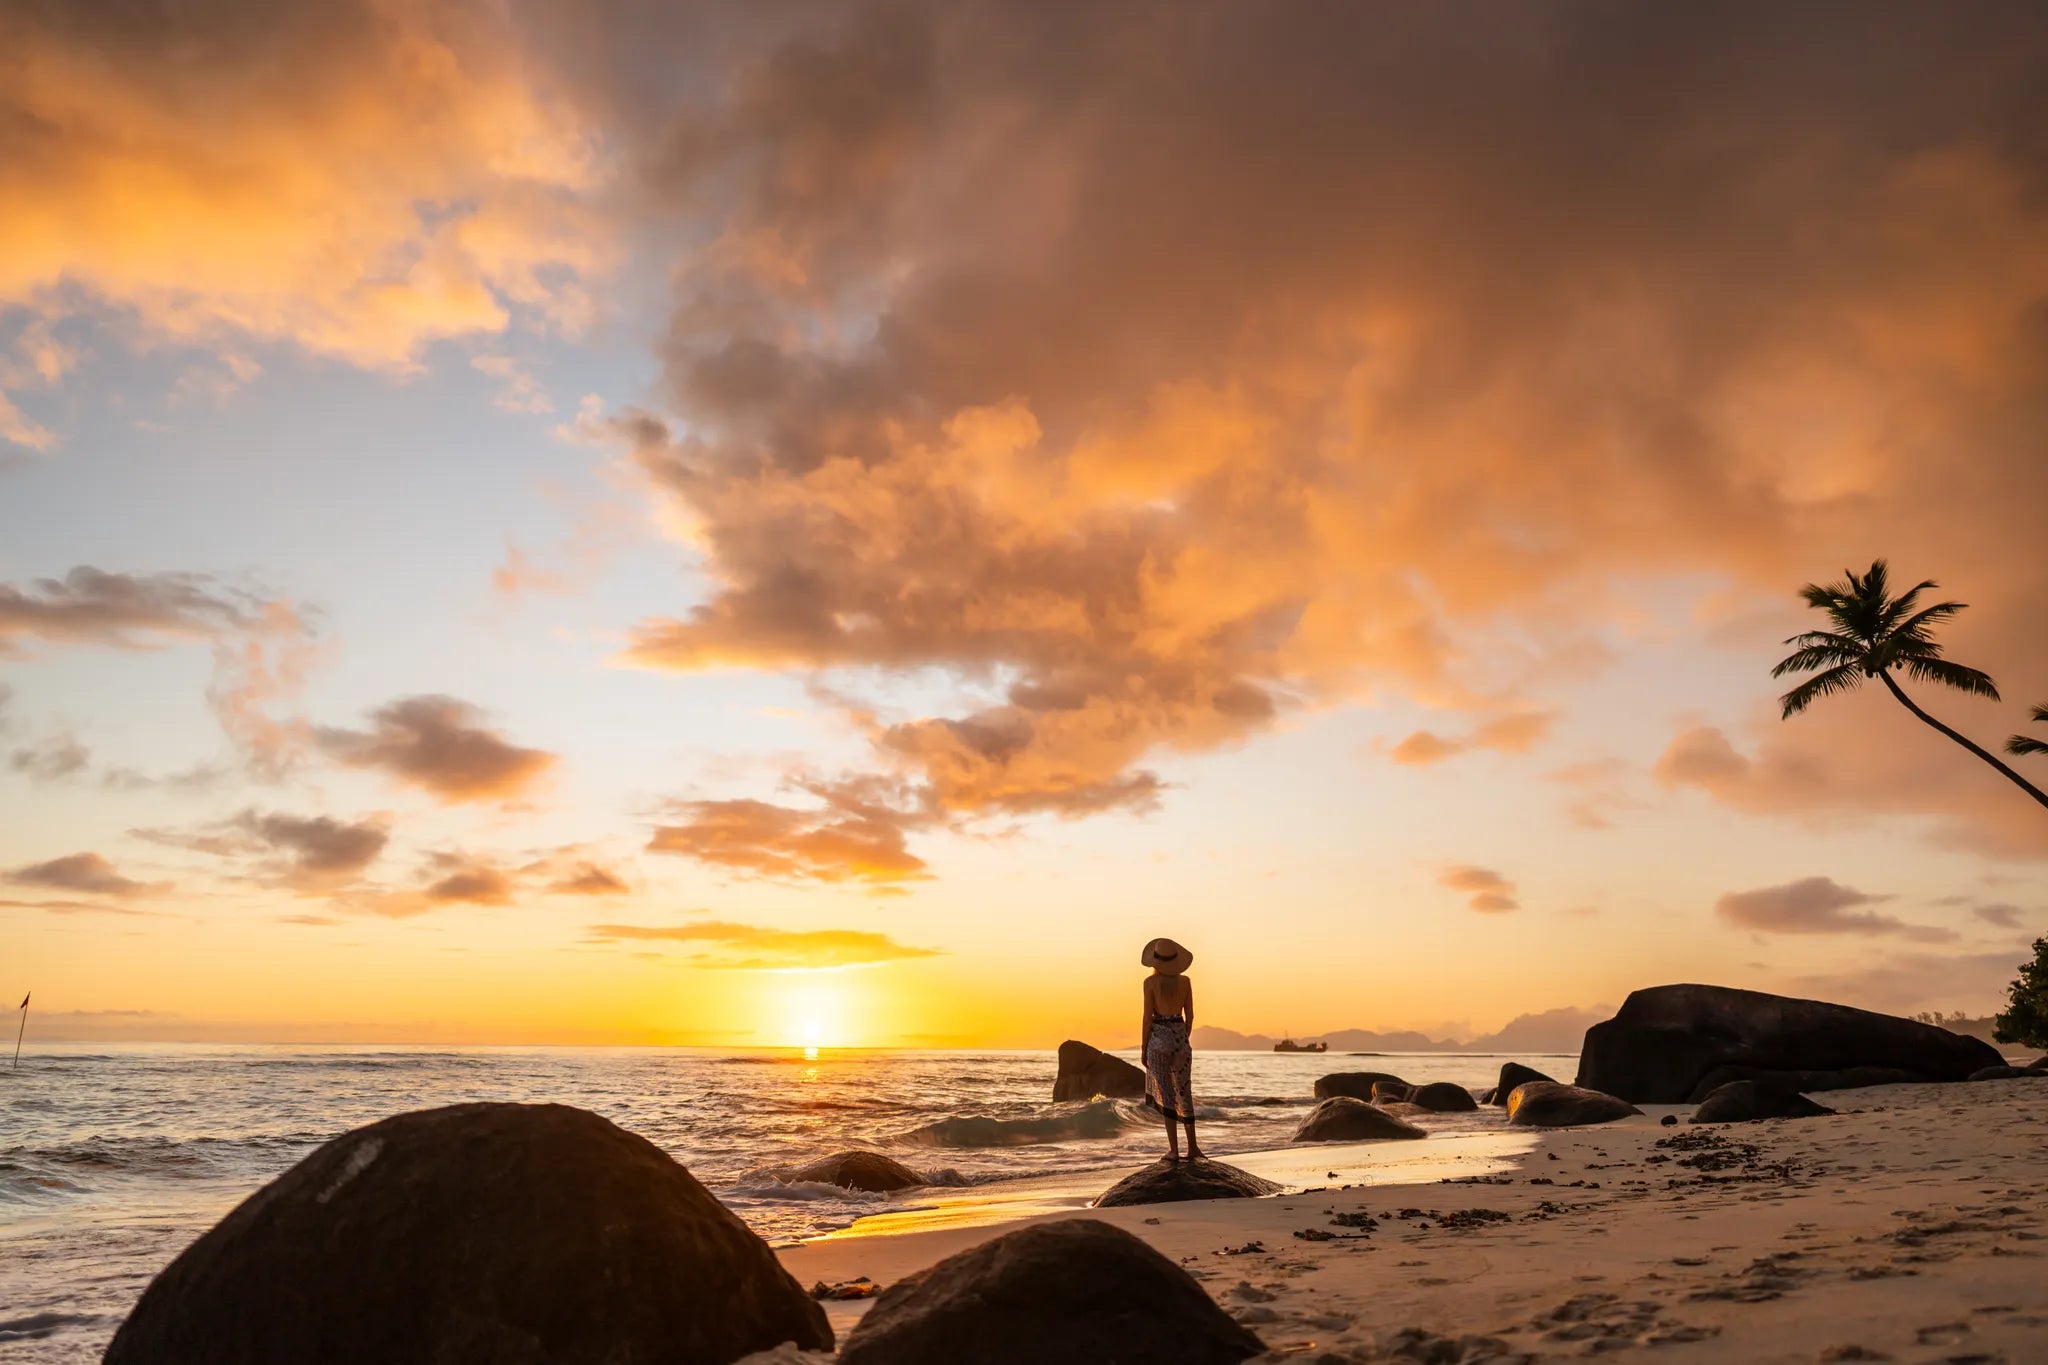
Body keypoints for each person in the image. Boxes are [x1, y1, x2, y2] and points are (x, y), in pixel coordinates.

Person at [1139, 937, 1202, 1161]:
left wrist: (1144, 1046)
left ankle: (1174, 1151)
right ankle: (1192, 1148)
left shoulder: (1149, 983)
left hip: (1158, 1039)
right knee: (1184, 1092)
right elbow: (1191, 1016)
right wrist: (1182, 1037)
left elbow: (1147, 1018)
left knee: (1167, 1096)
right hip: (1179, 1037)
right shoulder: (1185, 982)